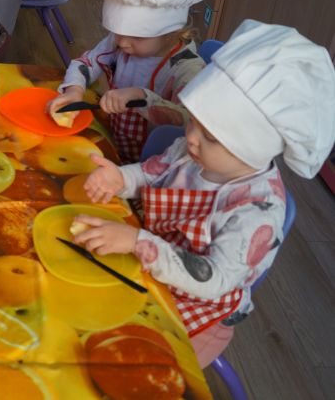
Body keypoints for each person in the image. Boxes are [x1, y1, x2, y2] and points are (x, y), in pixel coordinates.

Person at [74, 19, 335, 367]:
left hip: (202, 307)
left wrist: (139, 243)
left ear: (252, 148)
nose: (191, 137)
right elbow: (151, 172)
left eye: (210, 136)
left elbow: (214, 279)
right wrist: (120, 178)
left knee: (134, 367)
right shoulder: (191, 151)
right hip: (153, 256)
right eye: (194, 121)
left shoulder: (258, 211)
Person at [48, 0, 229, 164]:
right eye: (118, 33)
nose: (123, 42)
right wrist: (75, 90)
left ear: (171, 34)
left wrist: (142, 98)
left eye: (137, 37)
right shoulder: (120, 41)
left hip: (152, 163)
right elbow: (86, 63)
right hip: (116, 143)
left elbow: (187, 120)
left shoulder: (187, 68)